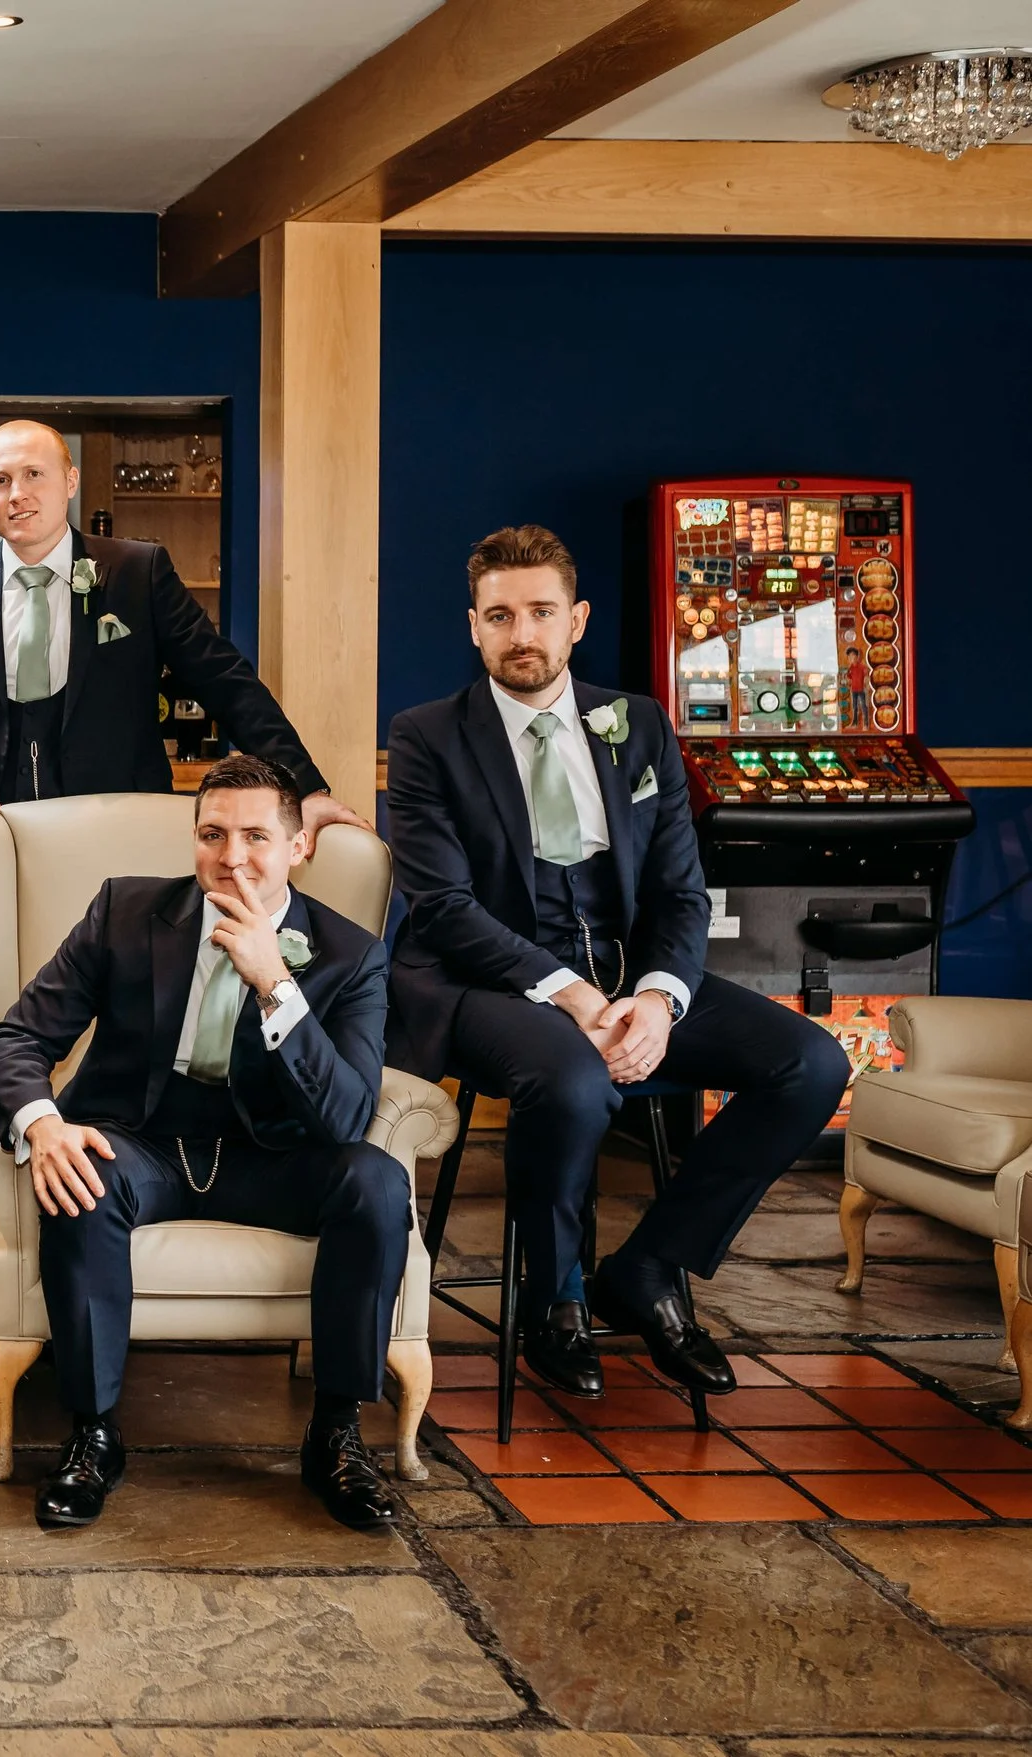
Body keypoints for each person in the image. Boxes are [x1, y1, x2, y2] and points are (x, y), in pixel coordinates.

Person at [0, 419, 366, 1342]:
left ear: (69, 479)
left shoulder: (135, 570)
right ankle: (2, 1263)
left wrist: (306, 788)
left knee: (132, 1038)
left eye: (32, 474)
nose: (15, 494)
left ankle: (121, 1217)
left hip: (110, 863)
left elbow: (226, 682)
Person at [386, 525, 848, 1400]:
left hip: (635, 973)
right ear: (473, 627)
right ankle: (554, 1298)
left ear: (577, 620)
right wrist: (572, 997)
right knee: (572, 1080)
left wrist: (658, 999)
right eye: (500, 616)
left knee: (811, 1063)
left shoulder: (637, 723)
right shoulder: (426, 737)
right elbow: (443, 909)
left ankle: (648, 1267)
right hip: (488, 982)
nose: (522, 634)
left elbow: (681, 890)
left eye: (541, 612)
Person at [0, 754, 407, 1532]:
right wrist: (43, 1123)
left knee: (376, 1182)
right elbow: (15, 1038)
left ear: (297, 847)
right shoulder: (124, 912)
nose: (231, 856)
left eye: (255, 837)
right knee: (82, 1173)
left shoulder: (350, 956)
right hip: (141, 1142)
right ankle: (93, 1433)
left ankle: (336, 1433)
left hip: (271, 1157)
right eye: (212, 834)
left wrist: (278, 985)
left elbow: (346, 1118)